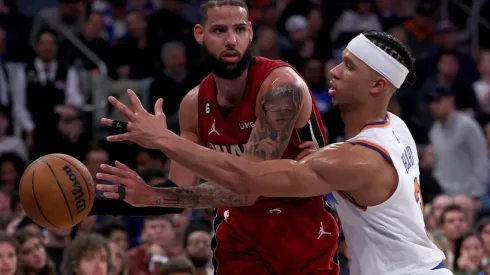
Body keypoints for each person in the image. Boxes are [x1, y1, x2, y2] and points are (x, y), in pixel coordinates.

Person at [97, 30, 454, 275]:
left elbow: (247, 179)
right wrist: (325, 155)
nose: (334, 71)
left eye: (349, 66)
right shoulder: (394, 127)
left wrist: (163, 140)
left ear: (378, 85)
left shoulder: (356, 159)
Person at [93, 1, 338, 275]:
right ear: (200, 34)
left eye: (240, 29)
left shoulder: (281, 87)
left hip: (302, 228)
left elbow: (249, 185)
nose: (231, 40)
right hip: (239, 235)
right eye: (219, 30)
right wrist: (98, 203)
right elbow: (181, 188)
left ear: (251, 33)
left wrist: (164, 140)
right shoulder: (193, 104)